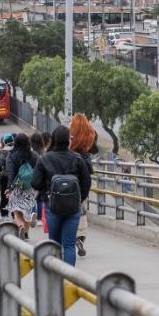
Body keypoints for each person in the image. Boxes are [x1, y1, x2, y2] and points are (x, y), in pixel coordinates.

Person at [32, 126, 92, 266]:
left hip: (52, 206)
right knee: (69, 245)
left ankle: (57, 277)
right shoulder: (77, 158)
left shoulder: (44, 159)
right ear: (68, 141)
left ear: (53, 140)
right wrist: (79, 199)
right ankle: (69, 281)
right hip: (73, 207)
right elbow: (86, 182)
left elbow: (35, 182)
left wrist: (46, 193)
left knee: (54, 243)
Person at [69, 113, 98, 257]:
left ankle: (71, 233)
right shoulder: (89, 133)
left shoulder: (70, 135)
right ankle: (80, 235)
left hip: (69, 177)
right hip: (84, 174)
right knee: (81, 206)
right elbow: (95, 149)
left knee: (69, 206)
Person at [5, 134, 39, 239]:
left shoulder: (11, 156)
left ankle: (20, 227)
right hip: (30, 187)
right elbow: (39, 171)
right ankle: (26, 230)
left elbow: (10, 173)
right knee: (27, 211)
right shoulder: (34, 155)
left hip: (17, 187)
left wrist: (9, 188)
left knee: (17, 212)